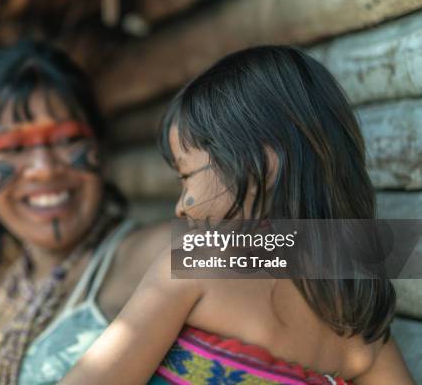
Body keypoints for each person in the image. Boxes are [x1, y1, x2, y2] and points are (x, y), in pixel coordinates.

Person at [61, 46, 414, 384]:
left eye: (186, 177)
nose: (180, 206)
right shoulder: (361, 320)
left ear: (265, 161)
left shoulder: (197, 263)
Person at [0, 40, 168, 385]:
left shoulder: (158, 255)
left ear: (98, 150)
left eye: (66, 140)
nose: (44, 169)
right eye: (13, 148)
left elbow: (277, 248)